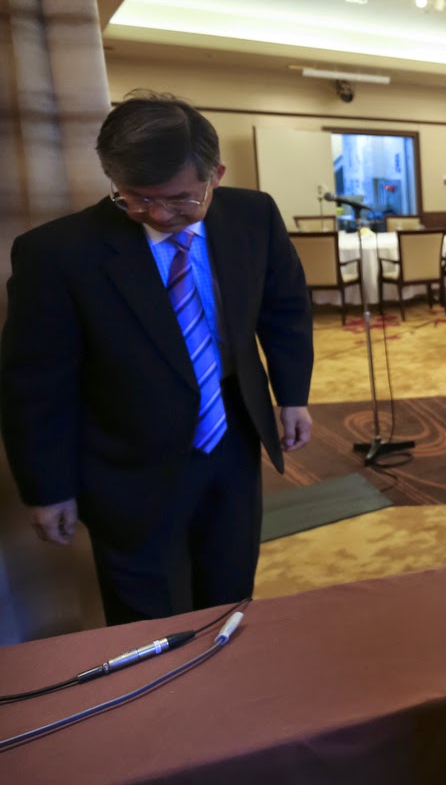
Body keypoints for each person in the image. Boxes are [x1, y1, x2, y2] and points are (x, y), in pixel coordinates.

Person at [1, 92, 315, 624]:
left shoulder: (252, 215)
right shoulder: (56, 254)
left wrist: (292, 395)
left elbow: (284, 307)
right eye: (138, 199)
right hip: (125, 465)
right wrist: (48, 488)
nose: (161, 214)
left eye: (181, 199)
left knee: (230, 594)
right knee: (145, 616)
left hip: (231, 441)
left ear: (215, 174)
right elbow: (35, 385)